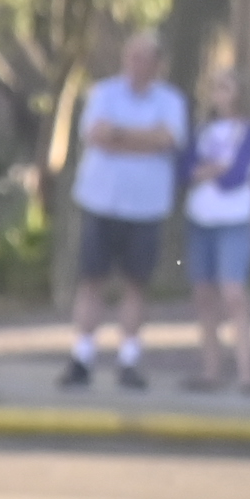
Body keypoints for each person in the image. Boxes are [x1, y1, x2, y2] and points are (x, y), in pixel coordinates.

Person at [63, 27, 191, 390]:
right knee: (92, 281)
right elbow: (96, 136)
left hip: (146, 207)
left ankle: (129, 359)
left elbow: (167, 140)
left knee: (136, 284)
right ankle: (82, 356)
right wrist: (143, 138)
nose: (136, 65)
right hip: (101, 201)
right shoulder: (103, 93)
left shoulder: (171, 101)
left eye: (144, 58)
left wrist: (119, 135)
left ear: (157, 64)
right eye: (132, 57)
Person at [186, 63, 250, 395]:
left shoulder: (249, 132)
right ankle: (211, 370)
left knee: (234, 294)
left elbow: (236, 176)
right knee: (204, 294)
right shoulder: (203, 131)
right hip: (201, 219)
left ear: (239, 94)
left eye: (225, 88)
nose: (219, 95)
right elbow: (186, 169)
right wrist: (212, 168)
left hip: (234, 220)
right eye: (215, 88)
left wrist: (209, 170)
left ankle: (247, 373)